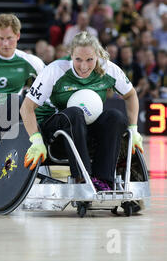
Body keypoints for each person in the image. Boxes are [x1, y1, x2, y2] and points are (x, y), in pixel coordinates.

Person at [20, 31, 144, 192]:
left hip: (85, 130)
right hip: (55, 131)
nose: (84, 66)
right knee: (74, 113)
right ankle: (82, 178)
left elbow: (131, 94)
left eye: (90, 59)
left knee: (116, 117)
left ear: (98, 55)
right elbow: (26, 108)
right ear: (71, 54)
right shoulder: (55, 70)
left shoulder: (108, 69)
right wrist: (36, 140)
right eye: (78, 59)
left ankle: (103, 179)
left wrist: (134, 128)